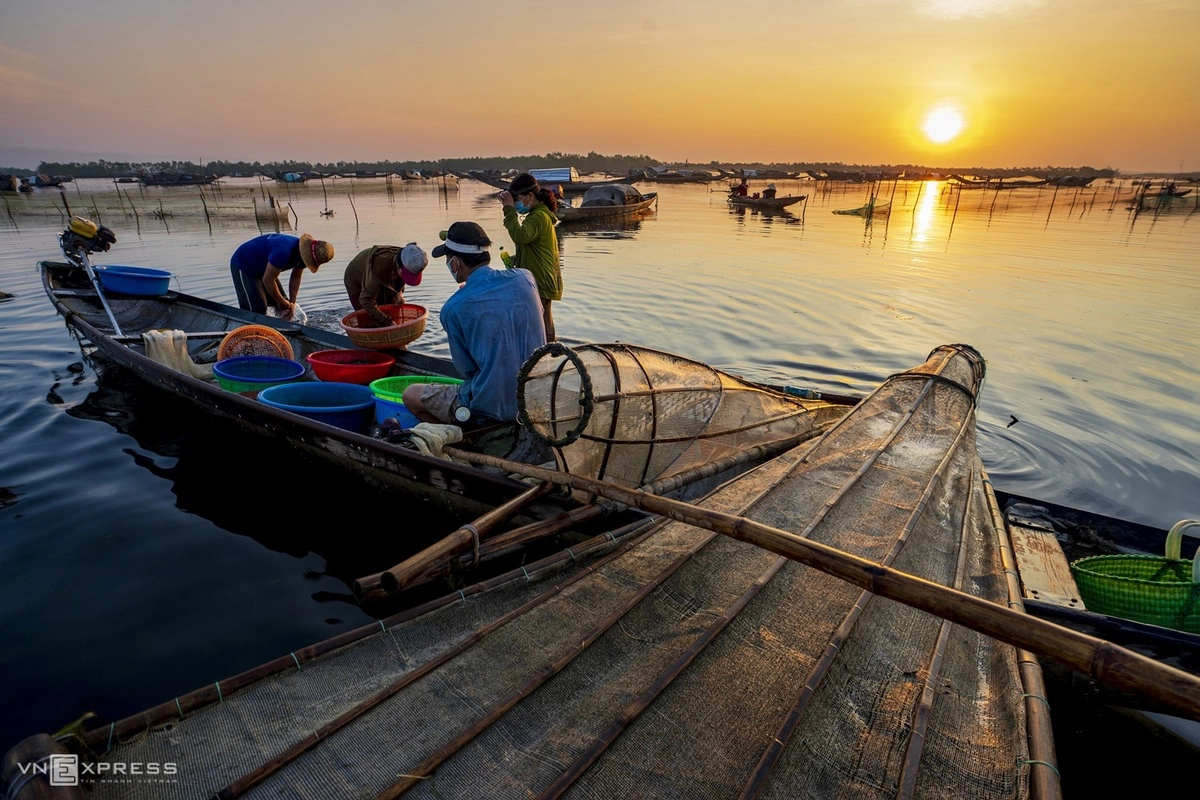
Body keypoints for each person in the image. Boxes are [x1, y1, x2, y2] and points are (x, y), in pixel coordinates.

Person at [402, 221, 546, 427]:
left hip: (492, 407)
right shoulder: (525, 278)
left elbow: (467, 370)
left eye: (447, 259)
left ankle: (462, 441)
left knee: (410, 395)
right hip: (537, 395)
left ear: (455, 263)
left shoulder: (453, 308)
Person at [499, 172, 562, 341]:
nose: (516, 203)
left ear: (530, 196)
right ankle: (549, 354)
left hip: (541, 279)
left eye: (517, 198)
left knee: (541, 323)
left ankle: (547, 356)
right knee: (543, 321)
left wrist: (508, 209)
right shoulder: (537, 215)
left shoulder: (539, 216)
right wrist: (517, 259)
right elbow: (531, 245)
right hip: (541, 276)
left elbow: (520, 236)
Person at [229, 233, 333, 320]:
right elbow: (268, 280)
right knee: (258, 309)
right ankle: (250, 337)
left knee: (285, 306)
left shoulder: (303, 257)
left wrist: (291, 302)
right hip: (244, 264)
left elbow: (296, 277)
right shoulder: (283, 252)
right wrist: (280, 301)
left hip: (264, 269)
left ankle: (278, 331)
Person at [342, 243, 428, 328]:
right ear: (398, 265)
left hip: (384, 274)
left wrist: (399, 293)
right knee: (367, 320)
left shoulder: (408, 256)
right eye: (407, 274)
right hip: (356, 280)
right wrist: (388, 322)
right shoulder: (379, 267)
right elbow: (366, 300)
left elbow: (401, 280)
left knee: (392, 312)